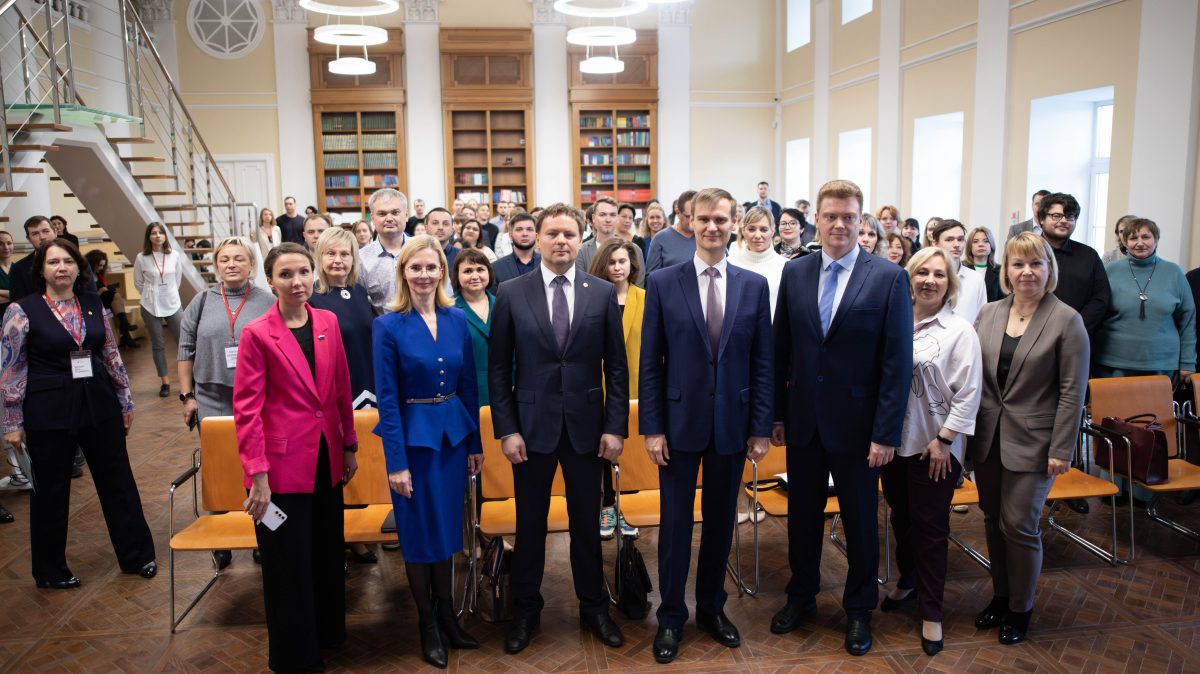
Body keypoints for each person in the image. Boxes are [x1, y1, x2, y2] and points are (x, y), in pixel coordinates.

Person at [770, 179, 912, 657]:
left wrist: (886, 432)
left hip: (860, 429)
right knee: (802, 518)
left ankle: (858, 611)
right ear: (818, 220)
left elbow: (897, 363)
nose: (839, 224)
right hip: (804, 422)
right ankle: (801, 597)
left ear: (862, 221)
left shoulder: (888, 277)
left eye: (849, 217)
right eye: (830, 216)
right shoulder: (796, 272)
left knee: (859, 522)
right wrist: (775, 413)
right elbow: (781, 348)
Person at [640, 188, 773, 663]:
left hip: (732, 425)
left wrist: (760, 426)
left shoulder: (753, 286)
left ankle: (713, 609)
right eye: (704, 219)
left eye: (721, 219)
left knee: (721, 521)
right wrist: (652, 428)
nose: (712, 227)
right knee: (675, 526)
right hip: (677, 425)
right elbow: (650, 363)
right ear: (689, 221)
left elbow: (763, 363)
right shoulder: (662, 282)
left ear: (734, 222)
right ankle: (671, 616)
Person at [488, 203, 629, 654]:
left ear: (581, 236)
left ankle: (594, 607)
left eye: (569, 233)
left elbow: (618, 367)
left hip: (589, 431)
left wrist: (615, 427)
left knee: (587, 525)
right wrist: (507, 429)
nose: (561, 241)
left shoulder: (602, 292)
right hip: (530, 431)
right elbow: (497, 370)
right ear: (536, 238)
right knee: (530, 527)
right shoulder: (510, 292)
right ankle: (526, 611)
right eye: (553, 234)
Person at [1, 239, 157, 589]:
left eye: (68, 261)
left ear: (77, 267)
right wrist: (12, 422)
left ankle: (136, 555)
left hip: (98, 401)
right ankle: (50, 570)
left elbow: (111, 355)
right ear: (40, 270)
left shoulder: (91, 303)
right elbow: (11, 369)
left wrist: (125, 401)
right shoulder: (21, 310)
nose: (61, 268)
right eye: (53, 262)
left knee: (118, 480)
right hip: (48, 408)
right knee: (51, 491)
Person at [234, 243, 358, 673]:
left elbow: (341, 387)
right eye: (286, 274)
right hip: (281, 470)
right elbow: (247, 411)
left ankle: (328, 634)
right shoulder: (256, 333)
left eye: (304, 272)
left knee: (326, 553)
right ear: (271, 281)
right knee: (288, 565)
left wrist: (349, 446)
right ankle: (294, 656)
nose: (297, 281)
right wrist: (258, 475)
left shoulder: (328, 321)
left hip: (326, 460)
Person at [969, 232, 1088, 646]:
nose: (1026, 272)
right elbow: (975, 379)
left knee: (1018, 524)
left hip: (1036, 442)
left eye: (1036, 264)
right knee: (990, 519)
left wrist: (1061, 448)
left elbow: (1073, 390)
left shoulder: (1066, 319)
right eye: (1018, 264)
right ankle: (1000, 596)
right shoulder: (988, 313)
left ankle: (1021, 608)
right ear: (1005, 270)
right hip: (988, 437)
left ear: (1049, 270)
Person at [373, 235, 482, 667]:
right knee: (419, 537)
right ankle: (427, 624)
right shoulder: (387, 325)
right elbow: (386, 398)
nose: (423, 275)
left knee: (448, 534)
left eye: (431, 267)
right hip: (413, 445)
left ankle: (449, 617)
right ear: (403, 273)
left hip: (453, 440)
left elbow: (469, 386)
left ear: (442, 272)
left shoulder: (457, 320)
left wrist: (474, 443)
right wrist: (395, 462)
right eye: (414, 268)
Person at [880, 247, 982, 656]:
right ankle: (909, 581)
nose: (930, 280)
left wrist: (944, 439)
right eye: (922, 272)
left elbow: (969, 392)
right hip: (893, 442)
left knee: (930, 529)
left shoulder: (959, 331)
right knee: (900, 519)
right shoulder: (895, 322)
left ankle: (933, 613)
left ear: (950, 282)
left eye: (939, 274)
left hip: (934, 446)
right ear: (910, 276)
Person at [177, 237, 274, 569]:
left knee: (258, 466)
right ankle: (221, 534)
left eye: (239, 259)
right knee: (219, 467)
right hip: (211, 397)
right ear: (216, 264)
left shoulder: (267, 301)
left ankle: (261, 531)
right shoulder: (202, 300)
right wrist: (188, 396)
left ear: (251, 265)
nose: (231, 264)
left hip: (259, 398)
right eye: (225, 259)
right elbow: (185, 348)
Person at [587, 238, 645, 540]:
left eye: (623, 261)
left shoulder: (646, 297)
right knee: (605, 451)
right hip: (599, 386)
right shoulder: (593, 298)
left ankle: (628, 507)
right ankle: (608, 505)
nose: (618, 267)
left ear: (632, 264)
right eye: (611, 262)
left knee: (631, 453)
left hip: (636, 387)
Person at [1095, 218, 1196, 379]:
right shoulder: (1109, 271)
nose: (1140, 243)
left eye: (1146, 237)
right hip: (1113, 363)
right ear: (1125, 242)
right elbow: (1097, 315)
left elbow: (1188, 321)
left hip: (1162, 364)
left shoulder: (1174, 272)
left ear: (1156, 240)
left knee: (1156, 406)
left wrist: (1188, 362)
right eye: (1133, 238)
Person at [309, 227, 376, 410]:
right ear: (319, 257)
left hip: (369, 383)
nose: (338, 260)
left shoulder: (360, 292)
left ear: (353, 258)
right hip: (337, 391)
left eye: (345, 254)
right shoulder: (310, 298)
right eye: (330, 253)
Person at [1037, 193, 1111, 343]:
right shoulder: (1026, 252)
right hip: (1033, 334)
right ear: (1041, 220)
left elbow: (1101, 297)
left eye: (1069, 216)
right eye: (1056, 215)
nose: (1063, 221)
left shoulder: (1089, 255)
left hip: (1077, 337)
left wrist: (1076, 326)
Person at [133, 222, 185, 398]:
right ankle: (165, 382)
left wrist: (166, 292)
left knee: (183, 342)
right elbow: (138, 283)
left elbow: (177, 280)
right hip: (150, 304)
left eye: (160, 233)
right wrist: (151, 294)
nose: (157, 236)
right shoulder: (142, 257)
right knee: (158, 344)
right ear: (149, 237)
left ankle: (189, 380)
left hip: (172, 301)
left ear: (165, 236)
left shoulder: (174, 255)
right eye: (153, 233)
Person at [452, 248, 494, 407]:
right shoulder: (447, 310)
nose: (475, 276)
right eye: (468, 271)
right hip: (464, 393)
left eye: (480, 269)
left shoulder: (504, 304)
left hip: (504, 391)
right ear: (457, 275)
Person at [728, 206, 788, 316]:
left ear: (773, 231)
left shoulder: (786, 266)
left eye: (764, 230)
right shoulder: (730, 263)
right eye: (751, 229)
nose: (757, 235)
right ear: (743, 231)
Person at [360, 188, 410, 314]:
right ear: (372, 218)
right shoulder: (361, 259)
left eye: (395, 212)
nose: (389, 218)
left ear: (406, 215)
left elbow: (444, 294)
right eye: (382, 214)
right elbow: (360, 306)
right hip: (383, 330)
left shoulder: (425, 250)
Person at [928, 220, 987, 323]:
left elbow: (982, 319)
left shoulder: (976, 279)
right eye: (949, 240)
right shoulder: (926, 278)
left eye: (960, 239)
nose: (956, 244)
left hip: (966, 338)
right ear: (935, 243)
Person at [84, 250, 138, 348]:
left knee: (115, 297)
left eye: (103, 266)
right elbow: (86, 296)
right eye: (99, 265)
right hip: (92, 302)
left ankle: (125, 330)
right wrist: (100, 291)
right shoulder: (85, 277)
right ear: (92, 263)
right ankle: (125, 331)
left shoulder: (99, 275)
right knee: (115, 297)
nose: (101, 268)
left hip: (102, 300)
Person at [8, 216, 59, 303]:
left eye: (46, 231)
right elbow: (18, 304)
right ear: (29, 239)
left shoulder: (76, 261)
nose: (42, 237)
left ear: (55, 232)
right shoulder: (19, 269)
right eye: (35, 234)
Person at [646, 190, 698, 273]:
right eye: (688, 216)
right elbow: (651, 277)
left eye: (697, 216)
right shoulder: (660, 239)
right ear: (678, 213)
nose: (693, 221)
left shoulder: (707, 236)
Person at [491, 212, 540, 286]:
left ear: (536, 235)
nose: (524, 234)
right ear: (510, 235)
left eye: (529, 229)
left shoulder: (548, 264)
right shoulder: (496, 267)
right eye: (519, 229)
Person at [577, 196, 619, 273]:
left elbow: (637, 283)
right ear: (593, 218)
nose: (608, 220)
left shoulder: (633, 249)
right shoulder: (582, 251)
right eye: (602, 215)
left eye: (612, 215)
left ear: (617, 218)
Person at [963, 227, 1003, 302]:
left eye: (986, 241)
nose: (981, 244)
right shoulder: (961, 268)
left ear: (991, 245)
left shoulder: (1001, 271)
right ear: (969, 246)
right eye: (975, 241)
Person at [424, 208, 459, 276]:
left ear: (452, 230)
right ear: (426, 228)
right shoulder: (416, 255)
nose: (440, 227)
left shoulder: (461, 256)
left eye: (445, 224)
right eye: (435, 223)